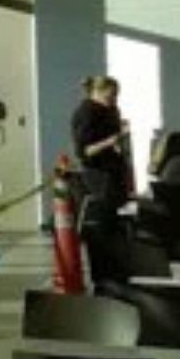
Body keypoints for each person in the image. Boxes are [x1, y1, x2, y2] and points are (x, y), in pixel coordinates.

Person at [70, 75, 132, 283]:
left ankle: (116, 274)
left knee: (113, 227)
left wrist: (119, 143)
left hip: (113, 175)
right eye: (110, 96)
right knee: (101, 228)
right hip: (98, 175)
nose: (114, 100)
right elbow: (84, 151)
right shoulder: (86, 113)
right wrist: (110, 142)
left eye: (116, 96)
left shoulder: (111, 110)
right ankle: (103, 277)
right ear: (96, 92)